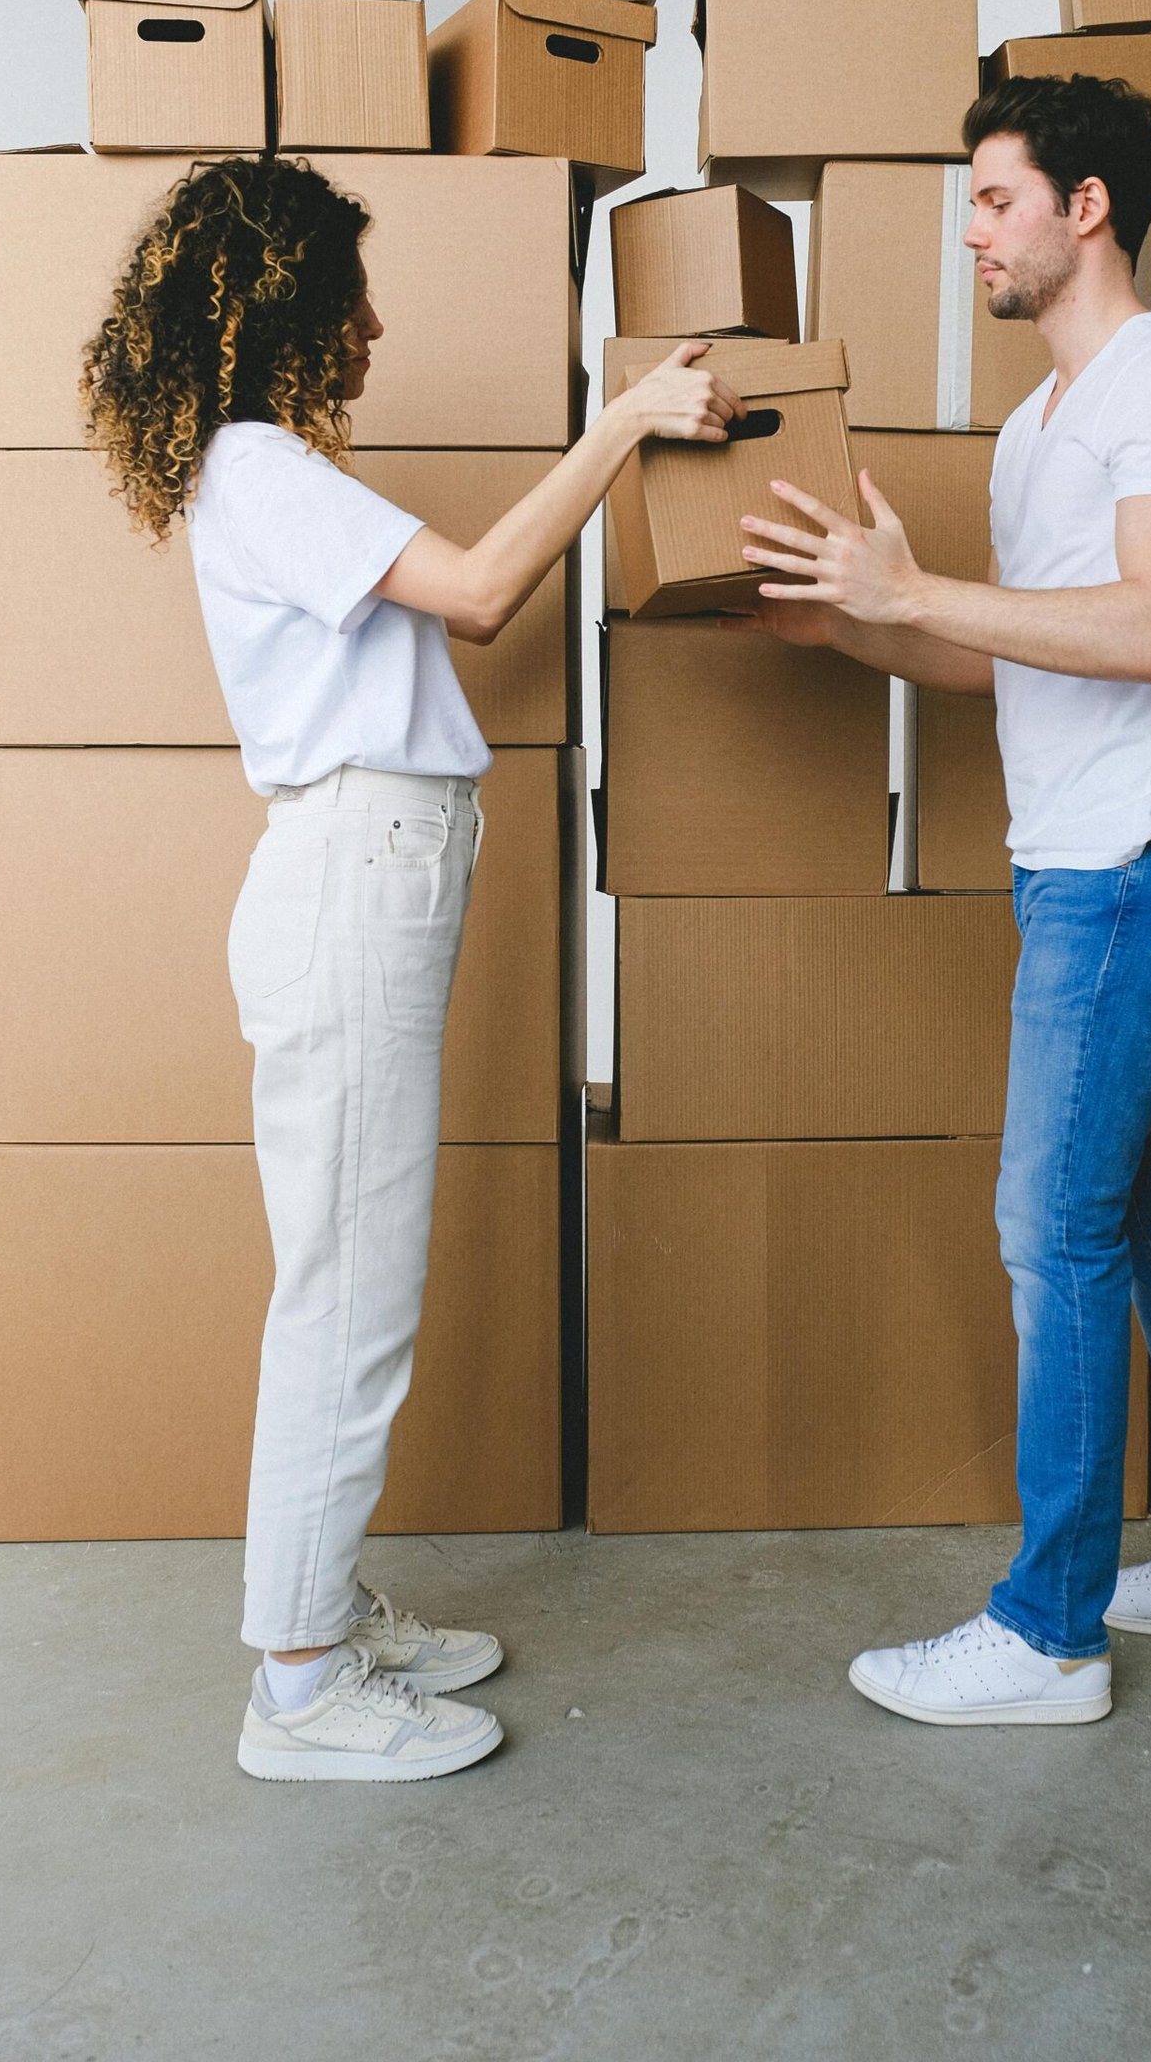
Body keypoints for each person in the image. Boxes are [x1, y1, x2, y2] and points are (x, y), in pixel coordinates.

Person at [83, 155, 744, 1781]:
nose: (376, 326)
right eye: (352, 296)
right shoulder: (261, 467)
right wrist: (623, 424)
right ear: (287, 306)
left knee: (353, 1266)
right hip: (350, 881)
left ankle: (321, 1607)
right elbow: (482, 593)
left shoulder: (264, 468)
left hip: (370, 875)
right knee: (352, 1287)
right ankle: (296, 1692)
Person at [738, 75, 1151, 1725]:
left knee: (1052, 1234)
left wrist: (916, 586)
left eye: (992, 199)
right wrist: (857, 624)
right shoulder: (1039, 426)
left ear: (1087, 207)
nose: (970, 231)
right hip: (1090, 859)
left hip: (1135, 868)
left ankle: (1052, 1631)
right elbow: (1005, 660)